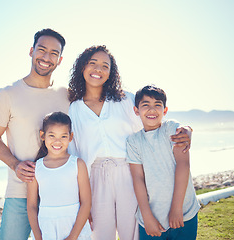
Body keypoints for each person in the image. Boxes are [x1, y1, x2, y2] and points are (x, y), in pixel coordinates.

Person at [67, 45, 192, 240]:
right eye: (92, 63)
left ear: (111, 73)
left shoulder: (125, 99)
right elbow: (74, 154)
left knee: (132, 234)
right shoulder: (74, 109)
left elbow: (154, 121)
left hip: (129, 172)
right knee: (100, 234)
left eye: (104, 66)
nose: (98, 69)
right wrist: (81, 199)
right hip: (95, 177)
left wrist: (187, 130)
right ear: (82, 67)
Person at [0, 29, 69, 240]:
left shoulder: (67, 95)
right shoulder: (7, 94)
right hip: (20, 191)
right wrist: (15, 164)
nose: (46, 57)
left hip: (60, 192)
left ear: (60, 60)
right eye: (41, 50)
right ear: (31, 51)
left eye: (53, 53)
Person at [126, 85, 200, 240]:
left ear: (165, 111)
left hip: (184, 212)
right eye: (145, 105)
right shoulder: (133, 141)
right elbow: (138, 179)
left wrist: (176, 208)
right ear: (136, 111)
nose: (152, 110)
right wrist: (146, 216)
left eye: (157, 105)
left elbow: (183, 165)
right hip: (153, 217)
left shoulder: (171, 128)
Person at [27, 111, 92, 240]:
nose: (57, 141)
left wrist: (73, 236)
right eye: (52, 135)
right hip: (47, 227)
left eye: (63, 136)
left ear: (70, 137)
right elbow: (32, 205)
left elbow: (86, 202)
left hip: (74, 227)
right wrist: (38, 236)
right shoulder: (36, 168)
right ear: (42, 135)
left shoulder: (78, 164)